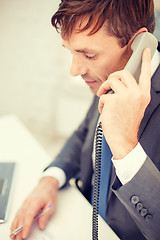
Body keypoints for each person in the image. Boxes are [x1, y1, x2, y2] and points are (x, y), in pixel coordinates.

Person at [11, 0, 160, 240]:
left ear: (137, 44)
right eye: (71, 51)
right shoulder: (112, 77)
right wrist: (51, 178)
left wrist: (126, 147)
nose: (74, 69)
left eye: (88, 54)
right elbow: (84, 134)